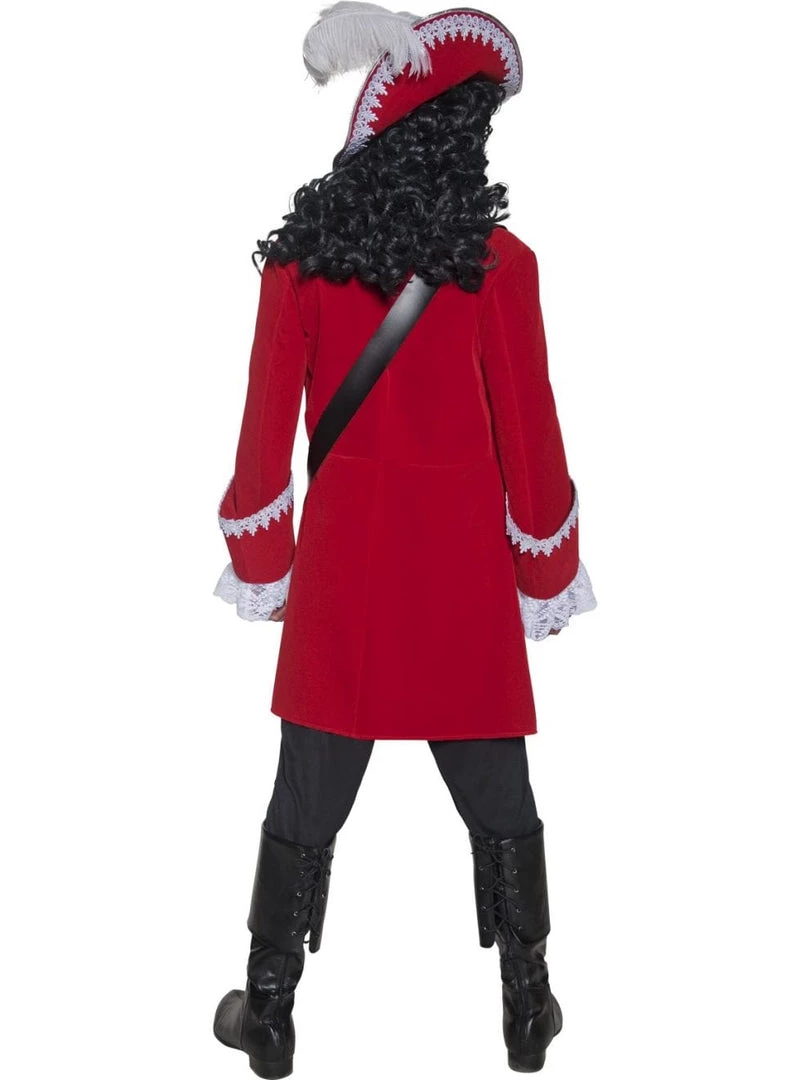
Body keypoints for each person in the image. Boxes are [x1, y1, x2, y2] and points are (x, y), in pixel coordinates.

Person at [211, 5, 597, 1077]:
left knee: (305, 795)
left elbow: (261, 441)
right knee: (501, 796)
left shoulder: (300, 266)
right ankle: (528, 1005)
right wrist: (546, 569)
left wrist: (265, 566)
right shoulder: (502, 265)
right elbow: (532, 439)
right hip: (460, 580)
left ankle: (270, 1010)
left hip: (347, 582)